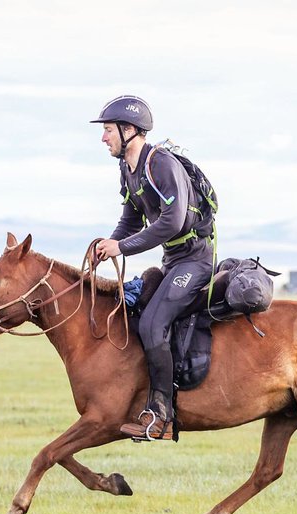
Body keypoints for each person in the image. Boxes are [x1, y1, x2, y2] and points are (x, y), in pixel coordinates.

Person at [91, 95, 215, 441]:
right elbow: (132, 217)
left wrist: (123, 246)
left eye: (108, 131)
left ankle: (162, 417)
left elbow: (172, 223)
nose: (104, 138)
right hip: (171, 260)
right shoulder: (127, 168)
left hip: (195, 260)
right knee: (136, 311)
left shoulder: (159, 164)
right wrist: (109, 246)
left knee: (152, 322)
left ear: (129, 130)